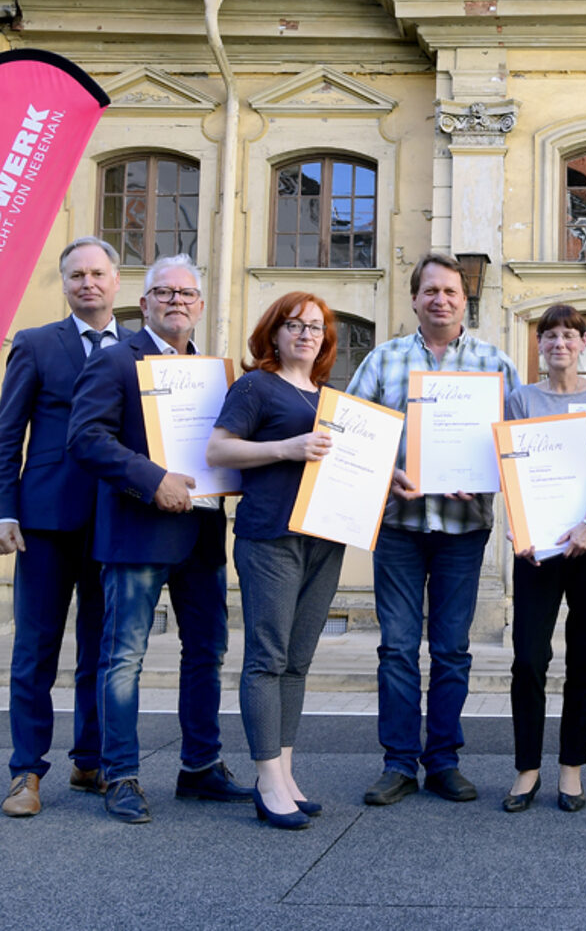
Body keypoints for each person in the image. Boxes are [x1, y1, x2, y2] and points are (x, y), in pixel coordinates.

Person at [67, 254, 251, 824]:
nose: (176, 301)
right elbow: (86, 438)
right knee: (123, 658)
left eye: (187, 293)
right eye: (164, 291)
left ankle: (200, 766)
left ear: (200, 306)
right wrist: (153, 481)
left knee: (207, 653)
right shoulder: (116, 361)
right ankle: (119, 774)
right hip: (138, 534)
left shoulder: (214, 373)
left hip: (199, 534)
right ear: (143, 303)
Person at [347, 252, 520, 806]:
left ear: (464, 299)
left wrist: (490, 475)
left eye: (450, 291)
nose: (440, 300)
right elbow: (351, 434)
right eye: (431, 292)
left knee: (450, 650)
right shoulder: (384, 359)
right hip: (398, 525)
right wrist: (385, 474)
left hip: (464, 530)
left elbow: (519, 444)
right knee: (396, 648)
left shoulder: (496, 363)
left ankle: (443, 760)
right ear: (415, 298)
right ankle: (398, 763)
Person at [0, 236, 131, 817]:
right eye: (77, 276)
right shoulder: (36, 344)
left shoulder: (139, 352)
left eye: (98, 274)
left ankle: (89, 761)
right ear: (65, 283)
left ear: (116, 281)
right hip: (44, 522)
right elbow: (6, 434)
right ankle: (26, 772)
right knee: (36, 649)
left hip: (115, 521)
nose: (88, 284)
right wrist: (3, 509)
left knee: (101, 649)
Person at [205, 292, 342, 830]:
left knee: (298, 660)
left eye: (315, 327)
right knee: (267, 656)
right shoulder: (256, 385)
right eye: (294, 325)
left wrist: (385, 478)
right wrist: (285, 448)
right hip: (270, 537)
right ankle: (266, 778)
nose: (306, 334)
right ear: (274, 332)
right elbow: (219, 450)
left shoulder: (331, 397)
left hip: (324, 538)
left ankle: (284, 772)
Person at [502, 304, 586, 814]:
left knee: (584, 658)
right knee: (529, 657)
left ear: (582, 343)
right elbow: (511, 464)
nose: (558, 343)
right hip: (539, 547)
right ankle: (527, 768)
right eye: (548, 335)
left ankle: (570, 768)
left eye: (569, 335)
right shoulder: (521, 399)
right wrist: (518, 529)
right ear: (539, 346)